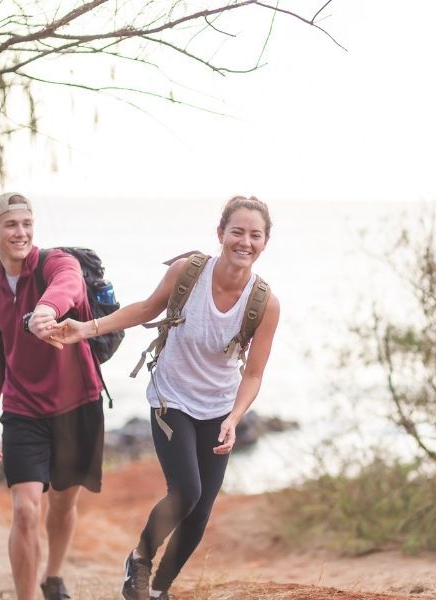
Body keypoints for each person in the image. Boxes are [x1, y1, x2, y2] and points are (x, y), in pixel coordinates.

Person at [47, 196, 280, 600]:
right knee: (186, 492)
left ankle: (159, 590)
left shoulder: (264, 303)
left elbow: (254, 373)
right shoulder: (188, 272)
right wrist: (87, 329)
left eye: (255, 235)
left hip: (220, 408)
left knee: (201, 511)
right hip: (171, 398)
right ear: (220, 233)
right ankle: (139, 559)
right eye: (237, 231)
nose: (245, 242)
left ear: (265, 242)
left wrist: (234, 418)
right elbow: (145, 309)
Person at [0, 192, 105, 600]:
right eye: (11, 225)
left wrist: (47, 309)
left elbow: (71, 284)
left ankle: (53, 576)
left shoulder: (55, 263)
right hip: (22, 408)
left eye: (27, 224)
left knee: (63, 505)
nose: (22, 232)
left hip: (77, 402)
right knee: (25, 509)